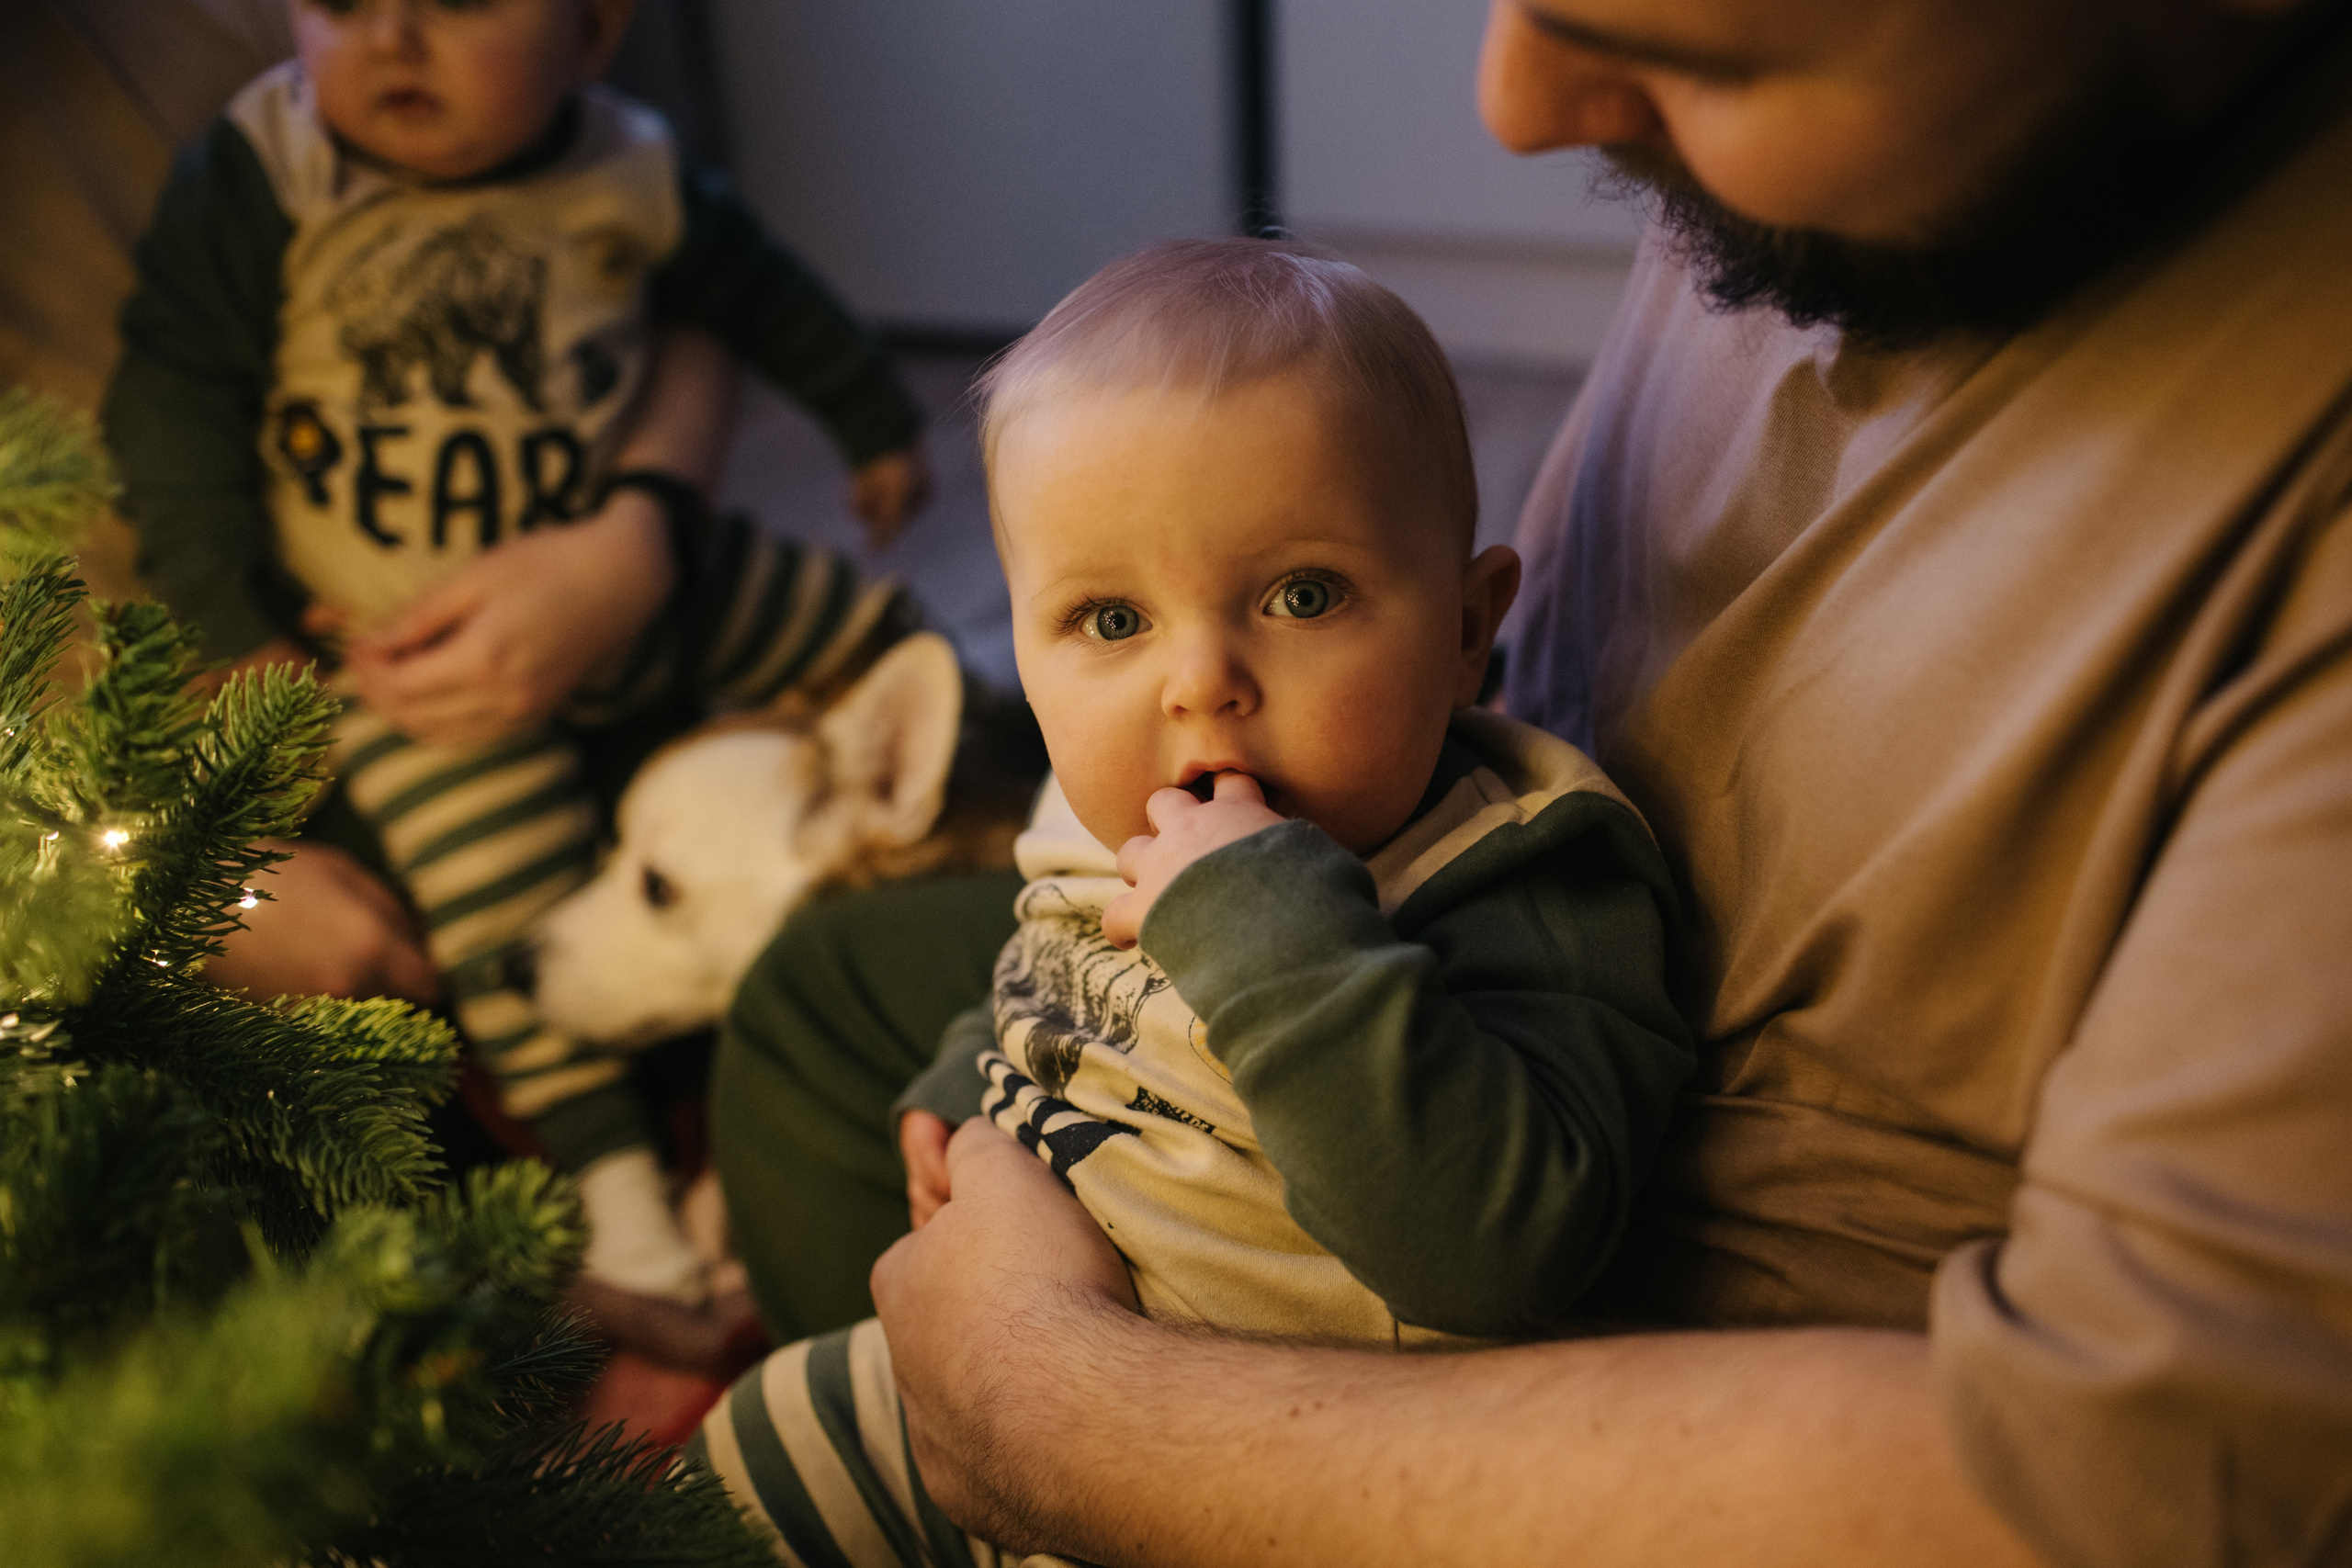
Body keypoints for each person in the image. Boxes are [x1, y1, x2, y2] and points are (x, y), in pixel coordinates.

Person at [722, 0, 2352, 1562]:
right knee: (818, 1008)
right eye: (1106, 618)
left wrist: (1031, 1394)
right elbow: (1060, 943)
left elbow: (2138, 1497)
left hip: (1533, 1323)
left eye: (1706, 47)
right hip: (1244, 989)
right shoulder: (1870, 154)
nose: (1514, 104)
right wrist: (979, 1108)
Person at [688, 240, 1694, 1562]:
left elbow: (1496, 1250)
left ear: (1466, 631)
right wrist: (960, 1088)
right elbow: (1052, 970)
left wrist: (1272, 931)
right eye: (1111, 621)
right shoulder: (1098, 808)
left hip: (1256, 1472)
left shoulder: (1519, 873)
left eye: (1301, 595)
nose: (1201, 683)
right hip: (1036, 1318)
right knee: (738, 1458)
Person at [102, 0, 932, 1302]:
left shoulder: (631, 166)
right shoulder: (265, 171)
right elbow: (171, 400)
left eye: (460, 2)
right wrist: (232, 631)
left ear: (595, 35)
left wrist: (873, 420)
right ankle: (611, 1181)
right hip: (408, 656)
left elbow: (754, 289)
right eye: (342, 3)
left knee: (865, 628)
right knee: (510, 900)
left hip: (629, 572)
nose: (393, 38)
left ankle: (1008, 794)